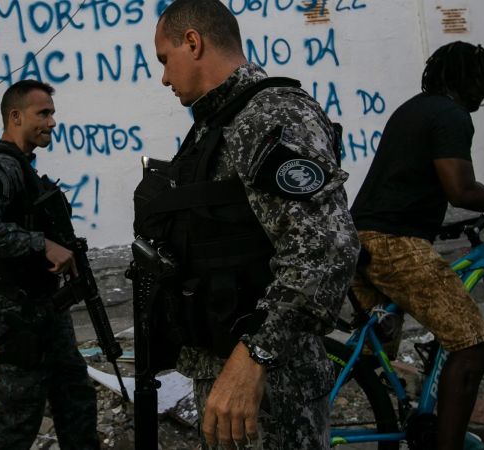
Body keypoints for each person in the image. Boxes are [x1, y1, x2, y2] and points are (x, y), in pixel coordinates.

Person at [135, 0, 359, 448]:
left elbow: (327, 247)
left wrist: (256, 354)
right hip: (227, 372)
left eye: (165, 59)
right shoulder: (220, 120)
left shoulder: (269, 114)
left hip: (271, 384)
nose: (163, 77)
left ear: (193, 43)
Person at [350, 41, 484, 450]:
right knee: (475, 343)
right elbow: (460, 189)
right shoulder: (451, 115)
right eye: (482, 79)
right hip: (395, 245)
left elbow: (412, 183)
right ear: (465, 79)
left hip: (364, 239)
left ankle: (405, 426)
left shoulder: (414, 108)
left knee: (379, 358)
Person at [0, 80, 99, 450]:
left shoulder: (23, 170)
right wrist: (42, 245)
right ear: (16, 116)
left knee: (77, 402)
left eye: (52, 113)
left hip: (46, 308)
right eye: (43, 113)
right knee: (17, 424)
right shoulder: (1, 167)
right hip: (20, 313)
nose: (52, 122)